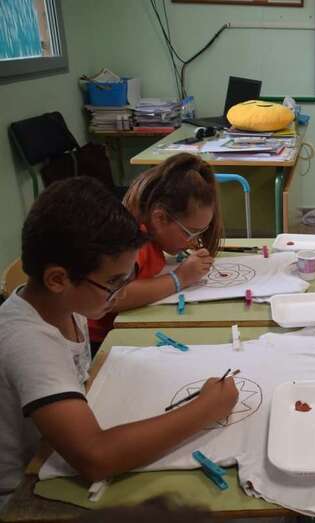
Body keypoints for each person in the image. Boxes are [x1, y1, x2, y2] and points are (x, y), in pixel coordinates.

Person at [0, 178, 238, 509]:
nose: (121, 292)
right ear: (58, 279)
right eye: (114, 282)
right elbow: (96, 458)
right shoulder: (28, 342)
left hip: (54, 456)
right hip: (25, 493)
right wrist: (206, 409)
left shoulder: (68, 305)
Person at [88, 153, 224, 351]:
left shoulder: (150, 234)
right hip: (101, 340)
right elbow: (118, 296)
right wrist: (180, 278)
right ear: (160, 219)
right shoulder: (133, 241)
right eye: (190, 232)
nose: (194, 241)